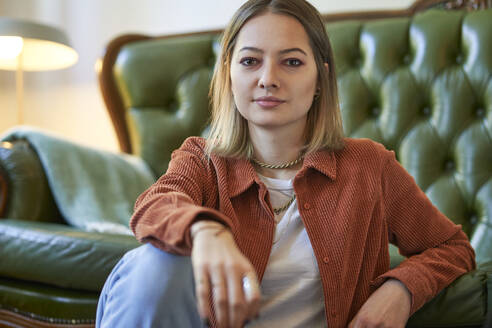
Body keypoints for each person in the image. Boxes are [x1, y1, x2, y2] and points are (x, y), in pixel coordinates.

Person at [95, 0, 476, 327]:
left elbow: (452, 247)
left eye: (291, 62)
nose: (268, 79)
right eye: (250, 61)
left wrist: (401, 289)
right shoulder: (202, 159)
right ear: (230, 74)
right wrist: (207, 233)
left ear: (320, 79)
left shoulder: (369, 165)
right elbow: (153, 205)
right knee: (153, 263)